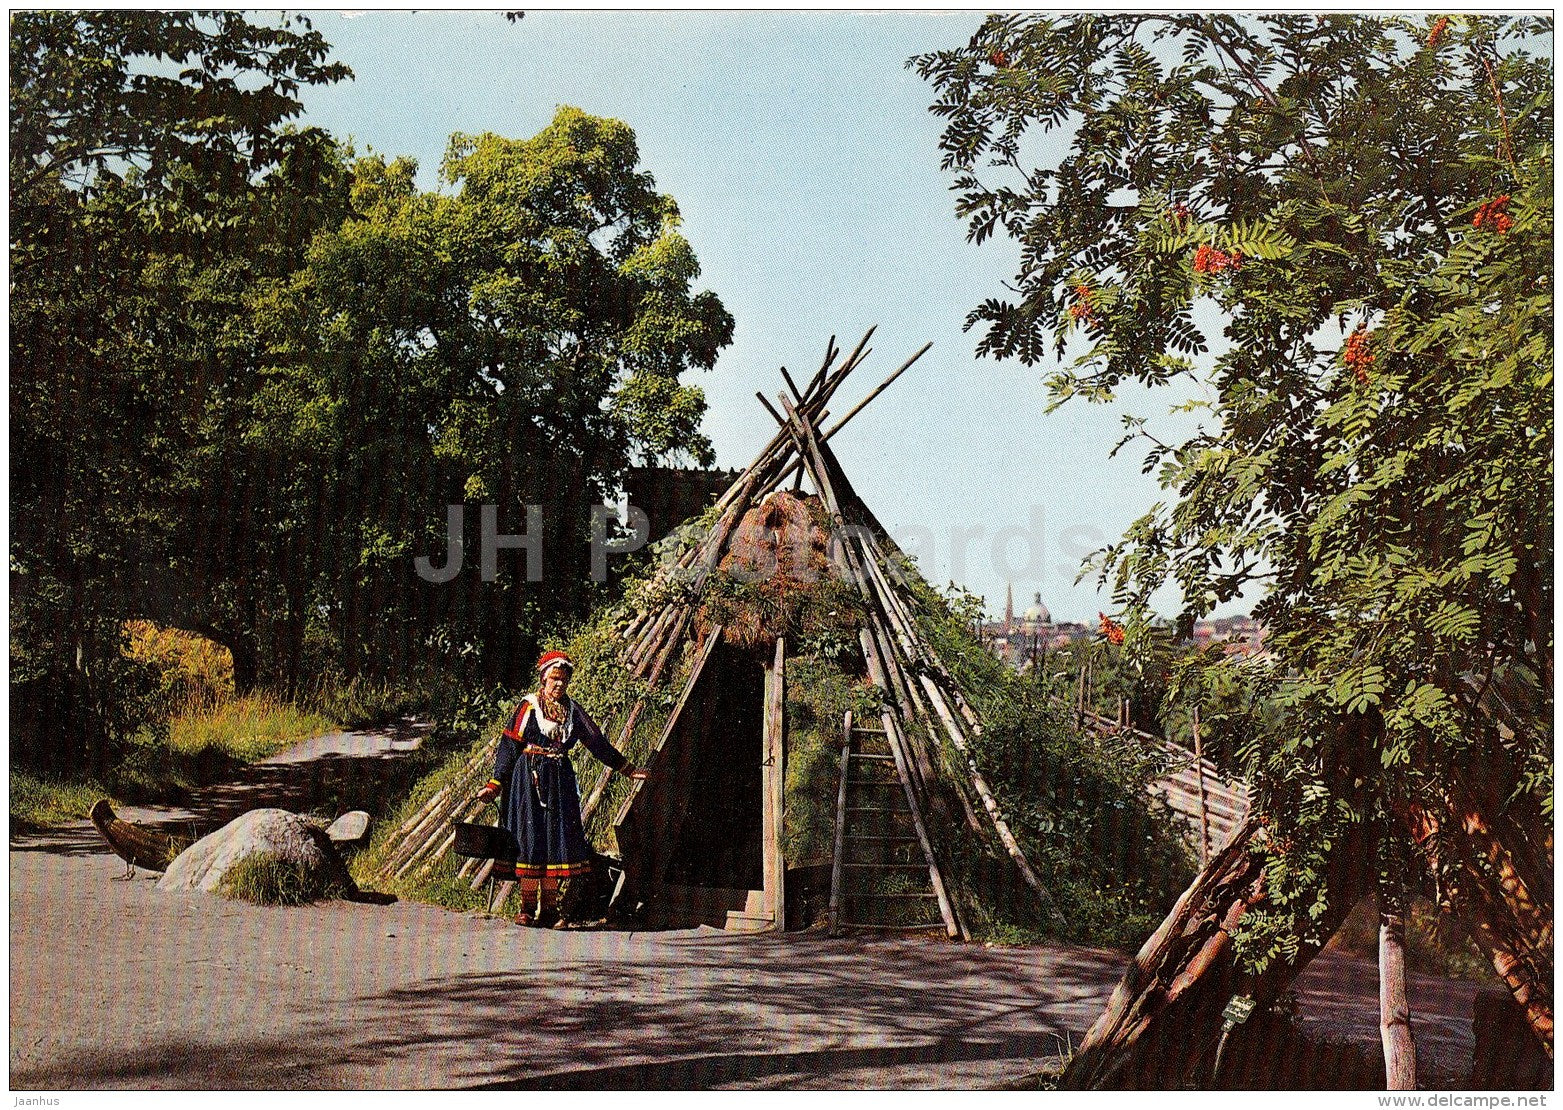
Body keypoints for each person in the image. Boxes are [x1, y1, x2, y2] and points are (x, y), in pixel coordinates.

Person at [475, 650, 648, 927]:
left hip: (559, 781)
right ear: (543, 679)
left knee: (555, 840)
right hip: (528, 781)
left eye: (563, 680)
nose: (559, 685)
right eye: (554, 679)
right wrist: (495, 784)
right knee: (530, 840)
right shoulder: (529, 706)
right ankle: (527, 908)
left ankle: (551, 910)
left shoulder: (573, 711)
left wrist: (627, 769)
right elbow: (509, 746)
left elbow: (597, 743)